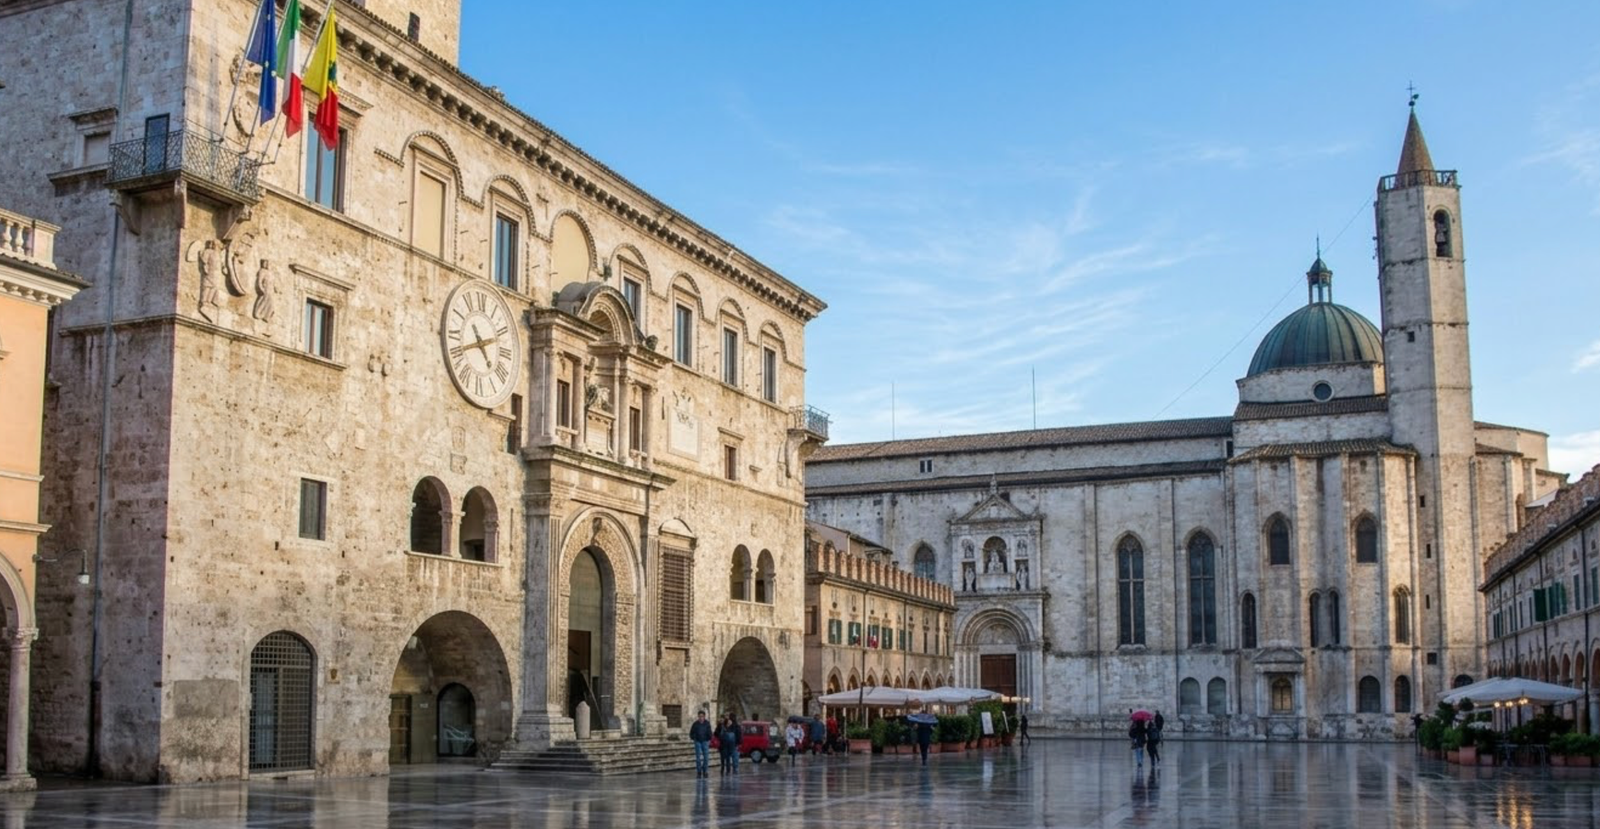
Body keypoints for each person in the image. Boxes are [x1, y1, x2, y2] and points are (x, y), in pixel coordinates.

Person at [690, 710, 713, 777]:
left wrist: (709, 738)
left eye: (702, 716)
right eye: (699, 716)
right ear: (698, 716)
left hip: (705, 741)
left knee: (706, 757)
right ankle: (699, 771)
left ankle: (705, 770)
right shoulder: (695, 724)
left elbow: (710, 732)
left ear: (704, 716)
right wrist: (694, 738)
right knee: (698, 758)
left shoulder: (707, 723)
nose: (701, 718)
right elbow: (691, 733)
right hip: (698, 742)